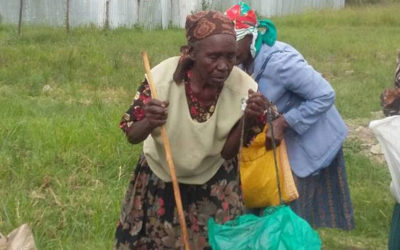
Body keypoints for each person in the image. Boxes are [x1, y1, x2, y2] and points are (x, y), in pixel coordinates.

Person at [114, 10, 267, 249]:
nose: (224, 66)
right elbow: (132, 135)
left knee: (215, 243)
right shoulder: (160, 80)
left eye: (231, 57)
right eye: (214, 57)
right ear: (192, 53)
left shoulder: (244, 88)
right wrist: (149, 121)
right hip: (161, 177)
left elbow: (227, 153)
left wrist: (248, 118)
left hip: (214, 180)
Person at [225, 2, 355, 230]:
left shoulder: (280, 62)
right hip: (283, 146)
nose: (227, 51)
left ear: (251, 37)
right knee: (272, 211)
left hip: (310, 142)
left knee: (292, 214)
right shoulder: (244, 61)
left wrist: (284, 122)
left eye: (232, 42)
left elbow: (324, 94)